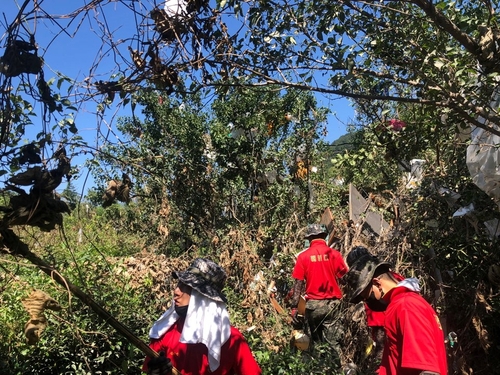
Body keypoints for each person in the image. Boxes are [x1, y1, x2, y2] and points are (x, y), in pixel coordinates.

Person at [143, 258, 262, 375]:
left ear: (204, 297)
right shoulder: (165, 332)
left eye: (187, 287)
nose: (176, 291)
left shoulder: (231, 340)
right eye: (179, 284)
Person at [344, 249, 448, 375]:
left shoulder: (406, 306)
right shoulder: (404, 303)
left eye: (367, 296)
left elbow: (428, 371)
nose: (367, 302)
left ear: (377, 283)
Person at [289, 223, 348, 361]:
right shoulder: (334, 254)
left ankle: (318, 369)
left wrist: (294, 307)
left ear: (309, 239)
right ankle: (335, 369)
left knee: (315, 345)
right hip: (332, 306)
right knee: (333, 345)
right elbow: (345, 280)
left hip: (313, 307)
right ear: (324, 236)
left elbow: (298, 284)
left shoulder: (303, 257)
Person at [346, 246, 404, 364]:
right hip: (396, 323)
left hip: (383, 325)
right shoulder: (391, 276)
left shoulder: (371, 284)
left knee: (383, 357)